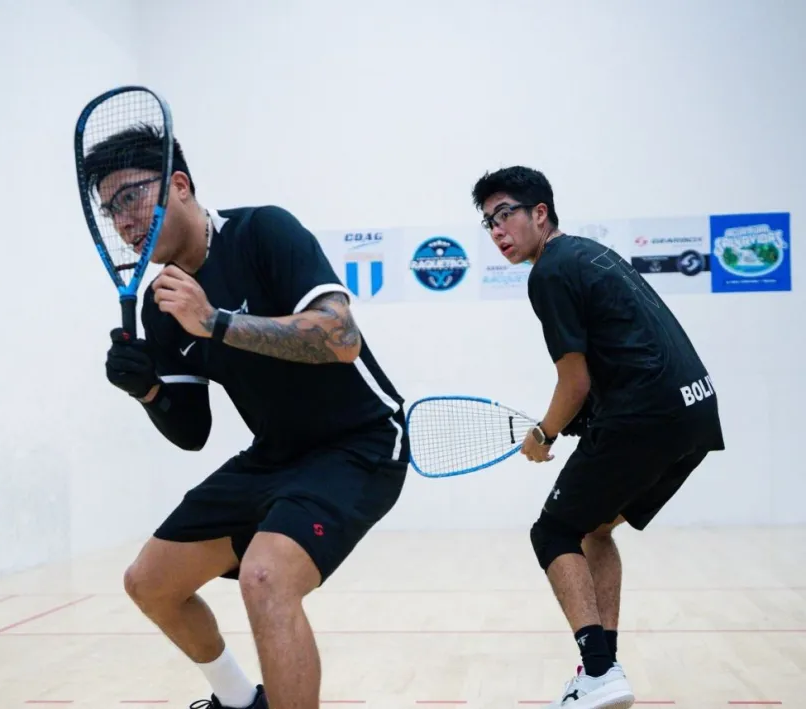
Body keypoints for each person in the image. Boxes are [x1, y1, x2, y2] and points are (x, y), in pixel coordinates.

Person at [83, 124, 410, 709]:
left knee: (266, 577)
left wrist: (215, 322)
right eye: (111, 210)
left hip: (360, 444)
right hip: (275, 455)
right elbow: (193, 432)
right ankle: (239, 700)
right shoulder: (162, 305)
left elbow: (341, 337)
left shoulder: (263, 232)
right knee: (149, 584)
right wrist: (147, 390)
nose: (124, 221)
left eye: (131, 197)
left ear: (179, 185)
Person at [471, 166, 725, 709]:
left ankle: (600, 672)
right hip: (695, 411)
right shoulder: (590, 254)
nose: (497, 230)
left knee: (552, 533)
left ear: (540, 213)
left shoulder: (549, 273)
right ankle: (602, 670)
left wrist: (543, 434)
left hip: (645, 416)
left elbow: (575, 381)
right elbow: (625, 352)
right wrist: (583, 419)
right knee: (595, 529)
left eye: (505, 214)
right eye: (488, 222)